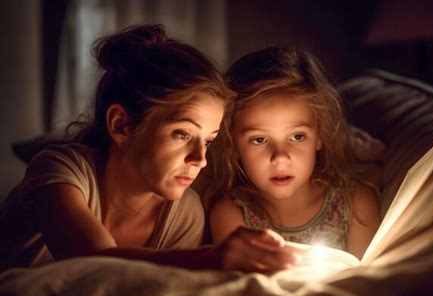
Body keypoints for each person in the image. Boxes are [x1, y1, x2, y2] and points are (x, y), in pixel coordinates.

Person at [0, 25, 300, 272]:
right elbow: (89, 263)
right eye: (182, 134)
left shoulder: (185, 214)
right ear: (121, 126)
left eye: (208, 141)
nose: (200, 159)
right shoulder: (60, 170)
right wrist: (208, 258)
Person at [210, 47, 380, 259]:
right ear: (232, 144)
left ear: (319, 136)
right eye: (259, 139)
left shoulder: (356, 204)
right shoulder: (231, 215)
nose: (280, 157)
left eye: (297, 137)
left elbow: (368, 285)